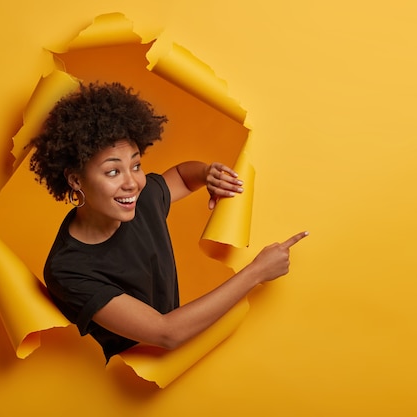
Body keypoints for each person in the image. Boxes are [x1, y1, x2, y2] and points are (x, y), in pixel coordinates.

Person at [29, 81, 308, 363]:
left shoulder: (141, 198)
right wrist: (256, 272)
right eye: (113, 172)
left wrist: (206, 173)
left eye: (136, 165)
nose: (132, 183)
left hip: (185, 363)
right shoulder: (68, 269)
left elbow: (181, 177)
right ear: (76, 180)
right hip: (132, 388)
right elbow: (166, 333)